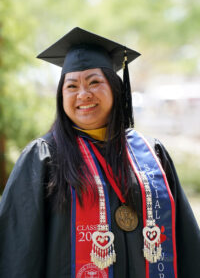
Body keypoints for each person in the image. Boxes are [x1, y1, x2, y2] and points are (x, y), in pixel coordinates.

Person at [0, 27, 199, 278]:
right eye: (71, 86)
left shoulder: (151, 154)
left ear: (115, 89)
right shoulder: (43, 158)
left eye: (94, 82)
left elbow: (186, 243)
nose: (83, 94)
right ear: (61, 96)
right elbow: (18, 252)